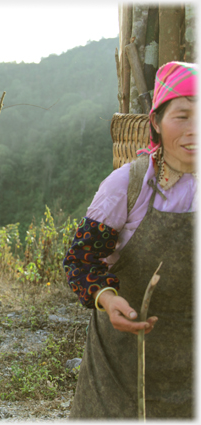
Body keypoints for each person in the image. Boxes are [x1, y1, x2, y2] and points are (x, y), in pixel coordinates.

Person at [63, 61, 196, 419]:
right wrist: (106, 298)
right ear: (155, 121)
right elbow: (80, 260)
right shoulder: (129, 185)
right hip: (122, 365)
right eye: (182, 116)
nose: (194, 130)